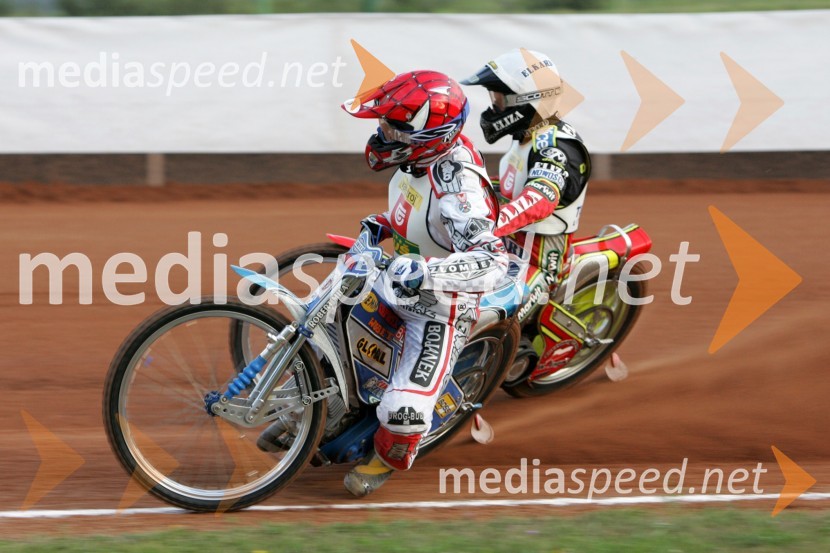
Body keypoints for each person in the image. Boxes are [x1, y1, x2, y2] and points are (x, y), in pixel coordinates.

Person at [339, 70, 509, 497]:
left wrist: (427, 273)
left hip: (439, 309)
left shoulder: (459, 187)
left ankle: (384, 460)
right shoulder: (417, 159)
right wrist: (379, 229)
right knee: (324, 323)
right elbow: (417, 226)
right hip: (394, 278)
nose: (384, 134)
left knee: (402, 414)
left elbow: (493, 262)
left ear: (431, 135)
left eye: (394, 128)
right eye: (384, 124)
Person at [460, 48, 593, 377]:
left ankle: (478, 382)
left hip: (538, 259)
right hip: (505, 246)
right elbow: (510, 188)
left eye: (499, 100)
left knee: (489, 322)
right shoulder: (528, 135)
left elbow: (541, 197)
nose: (494, 108)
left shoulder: (557, 147)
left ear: (526, 101)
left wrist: (494, 222)